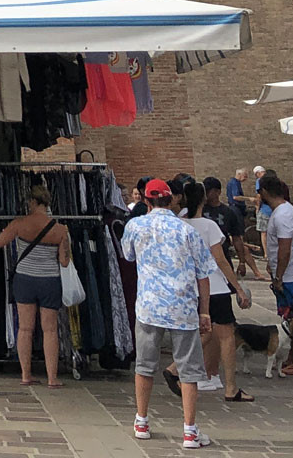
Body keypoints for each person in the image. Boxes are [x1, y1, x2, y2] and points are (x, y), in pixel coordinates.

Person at [122, 179, 216, 448]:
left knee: (144, 365)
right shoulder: (187, 230)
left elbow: (128, 255)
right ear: (171, 200)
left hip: (149, 306)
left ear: (147, 201)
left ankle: (141, 421)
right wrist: (205, 312)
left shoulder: (135, 226)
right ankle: (189, 430)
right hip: (183, 307)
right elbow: (204, 274)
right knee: (188, 370)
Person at [0, 186, 71, 387]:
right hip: (49, 280)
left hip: (24, 279)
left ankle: (26, 375)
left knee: (25, 328)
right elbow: (64, 261)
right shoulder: (61, 230)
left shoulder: (19, 224)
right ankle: (52, 378)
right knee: (50, 330)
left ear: (33, 202)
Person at [175, 181, 255, 401]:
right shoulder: (209, 226)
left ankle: (177, 369)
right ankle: (230, 387)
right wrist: (238, 288)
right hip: (214, 286)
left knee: (201, 332)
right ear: (203, 199)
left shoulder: (179, 223)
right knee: (227, 335)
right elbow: (220, 260)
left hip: (189, 286)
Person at [260, 173, 293, 376]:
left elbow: (285, 248)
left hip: (290, 275)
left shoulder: (283, 215)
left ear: (264, 192)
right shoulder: (283, 212)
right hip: (288, 272)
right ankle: (292, 357)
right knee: (287, 317)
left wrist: (279, 275)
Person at [203, 177, 256, 278]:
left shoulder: (228, 212)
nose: (206, 194)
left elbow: (236, 238)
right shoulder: (199, 209)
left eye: (209, 190)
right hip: (204, 255)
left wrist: (242, 262)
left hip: (223, 254)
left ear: (218, 192)